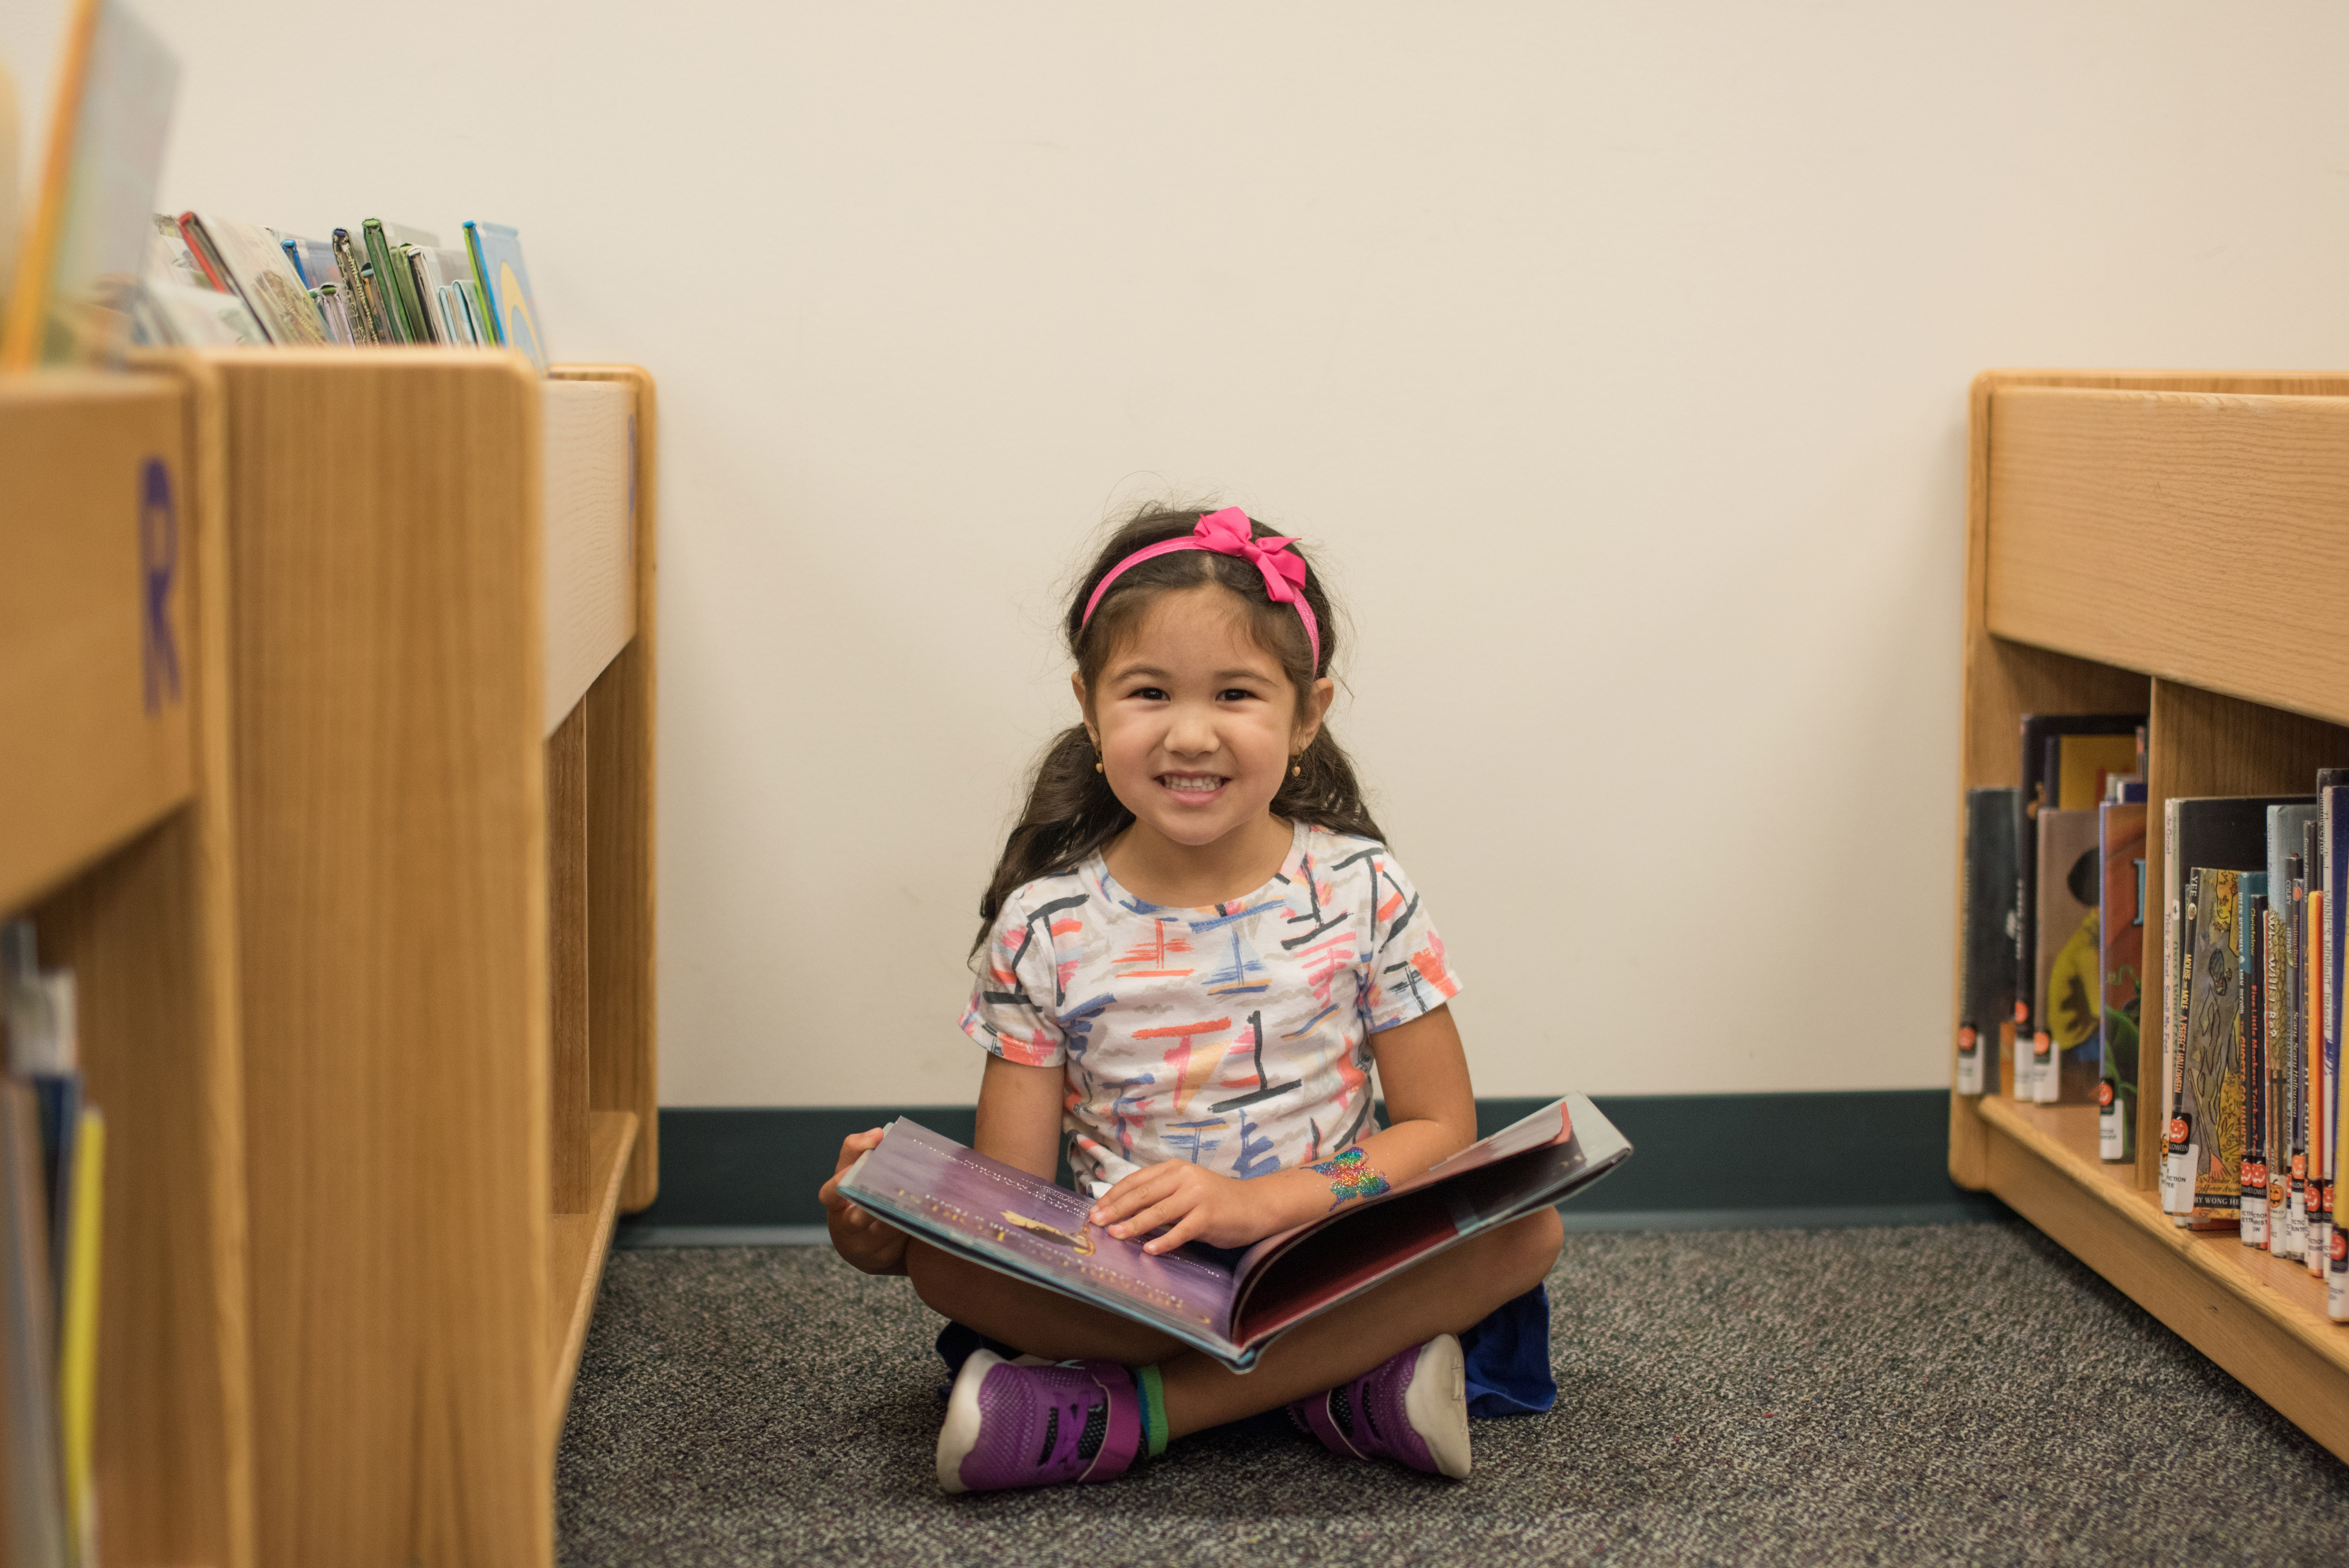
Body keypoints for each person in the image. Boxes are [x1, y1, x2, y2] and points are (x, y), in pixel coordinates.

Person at [819, 504, 1564, 1493]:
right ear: (1090, 708)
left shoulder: (1364, 889)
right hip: (1134, 1280)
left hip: (1324, 1250)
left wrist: (1262, 1203)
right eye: (1149, 691)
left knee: (1530, 1230)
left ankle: (1137, 1411)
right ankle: (1336, 1387)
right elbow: (1013, 1191)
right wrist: (882, 1228)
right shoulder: (1046, 924)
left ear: (1308, 714)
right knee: (947, 1267)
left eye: (1237, 693)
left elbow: (1438, 1126)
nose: (1191, 732)